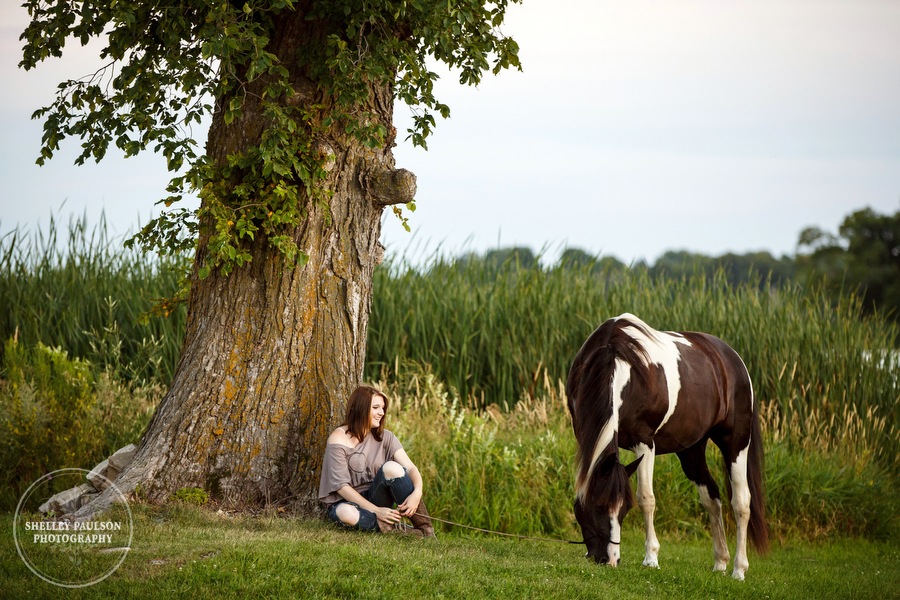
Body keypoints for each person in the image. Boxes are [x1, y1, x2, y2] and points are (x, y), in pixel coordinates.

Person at [318, 385, 435, 537]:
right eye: (376, 407)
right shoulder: (339, 438)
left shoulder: (386, 437)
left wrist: (417, 493)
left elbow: (411, 468)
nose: (381, 412)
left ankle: (427, 532)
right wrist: (377, 511)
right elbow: (342, 487)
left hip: (376, 496)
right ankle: (407, 533)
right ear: (361, 408)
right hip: (347, 502)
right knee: (345, 513)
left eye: (383, 408)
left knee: (392, 468)